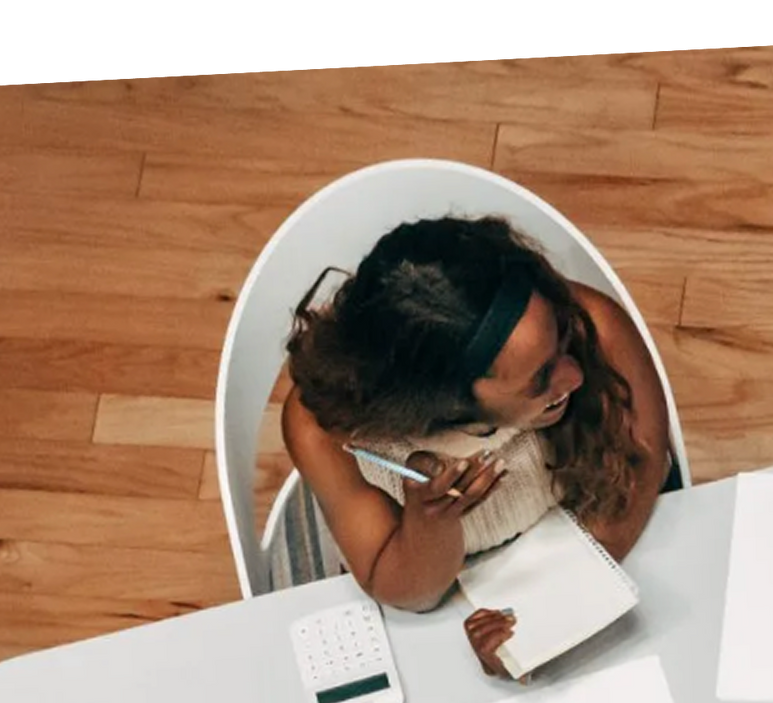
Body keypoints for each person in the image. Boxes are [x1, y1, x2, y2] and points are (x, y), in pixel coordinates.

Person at [281, 214, 675, 675]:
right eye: (540, 380)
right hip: (444, 600)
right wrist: (432, 522)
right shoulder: (323, 433)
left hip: (590, 548)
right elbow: (412, 593)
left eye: (561, 339)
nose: (576, 375)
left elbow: (639, 471)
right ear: (443, 406)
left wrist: (547, 618)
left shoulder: (596, 325)